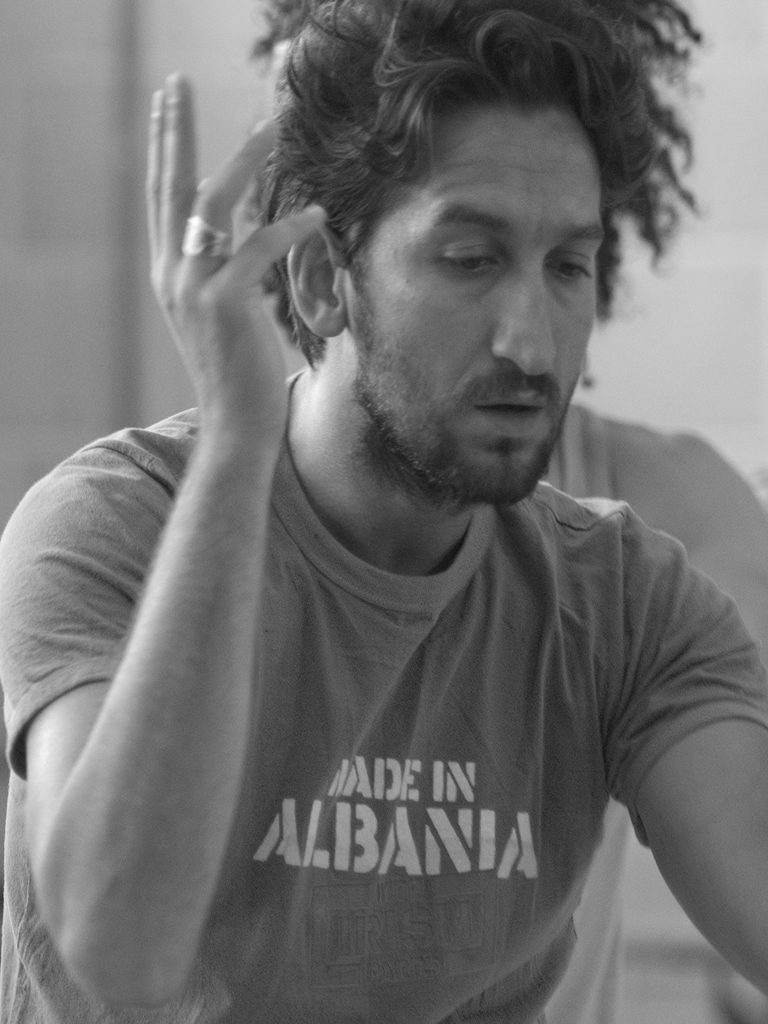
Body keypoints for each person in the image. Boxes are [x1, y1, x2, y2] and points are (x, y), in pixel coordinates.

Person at [2, 2, 768, 1021]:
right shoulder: (106, 528)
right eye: (470, 258)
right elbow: (120, 949)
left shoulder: (622, 603)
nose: (534, 343)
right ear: (325, 282)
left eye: (567, 266)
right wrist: (236, 446)